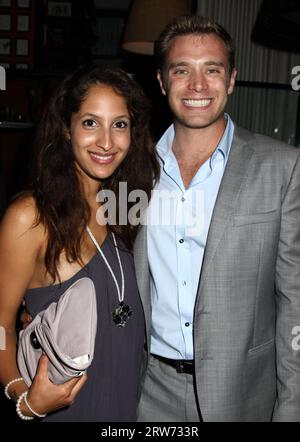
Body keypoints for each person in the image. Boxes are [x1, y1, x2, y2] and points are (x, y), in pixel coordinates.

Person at [134, 15, 300, 422]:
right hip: (145, 390)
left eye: (212, 70)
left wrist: (292, 406)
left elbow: (295, 299)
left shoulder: (284, 167)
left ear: (231, 80)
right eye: (181, 71)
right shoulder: (130, 167)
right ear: (161, 81)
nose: (197, 86)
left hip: (244, 395)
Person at [0, 64, 159, 422]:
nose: (106, 141)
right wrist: (22, 396)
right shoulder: (30, 217)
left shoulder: (128, 209)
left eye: (119, 124)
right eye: (90, 122)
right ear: (65, 128)